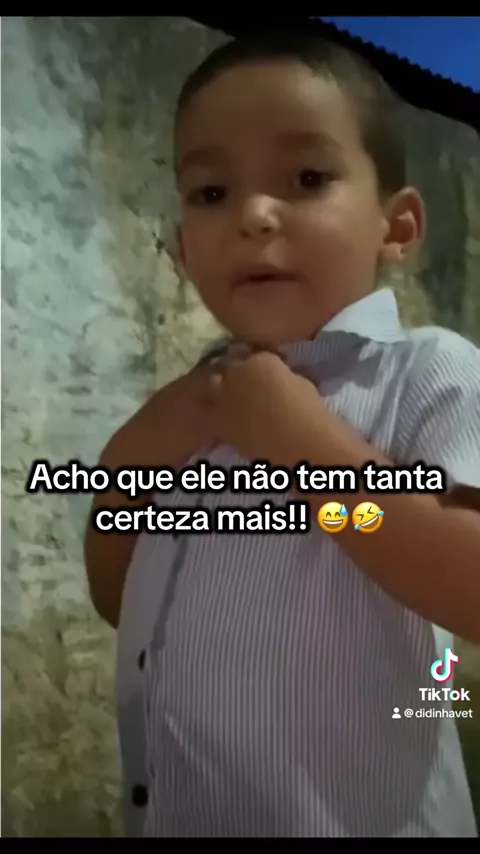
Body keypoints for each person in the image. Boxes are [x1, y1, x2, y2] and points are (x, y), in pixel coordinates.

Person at [84, 29, 480, 837]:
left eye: (306, 179)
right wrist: (139, 446)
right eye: (210, 192)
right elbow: (118, 597)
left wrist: (305, 452)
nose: (253, 216)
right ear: (182, 251)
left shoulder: (428, 372)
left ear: (397, 227)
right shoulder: (198, 403)